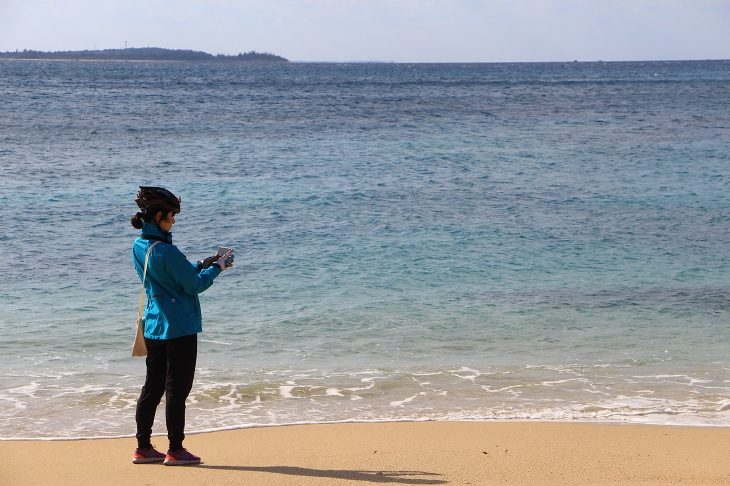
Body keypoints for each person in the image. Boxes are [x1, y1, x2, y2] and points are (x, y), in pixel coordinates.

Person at [129, 186, 233, 466]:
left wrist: (202, 263)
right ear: (159, 215)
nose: (174, 220)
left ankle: (143, 447)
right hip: (179, 327)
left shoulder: (140, 246)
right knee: (177, 389)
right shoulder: (167, 250)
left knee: (152, 386)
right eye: (171, 215)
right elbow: (194, 285)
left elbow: (170, 275)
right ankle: (176, 449)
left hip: (154, 324)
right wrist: (218, 267)